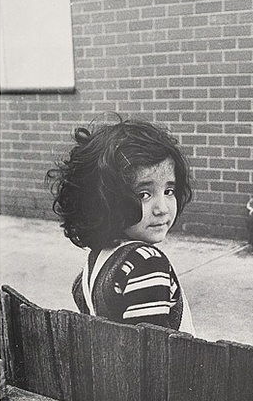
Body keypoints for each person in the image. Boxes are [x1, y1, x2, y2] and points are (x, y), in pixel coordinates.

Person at [46, 116, 195, 335]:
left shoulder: (97, 260)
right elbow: (152, 352)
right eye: (144, 194)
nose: (162, 208)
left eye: (169, 191)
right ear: (105, 200)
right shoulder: (146, 264)